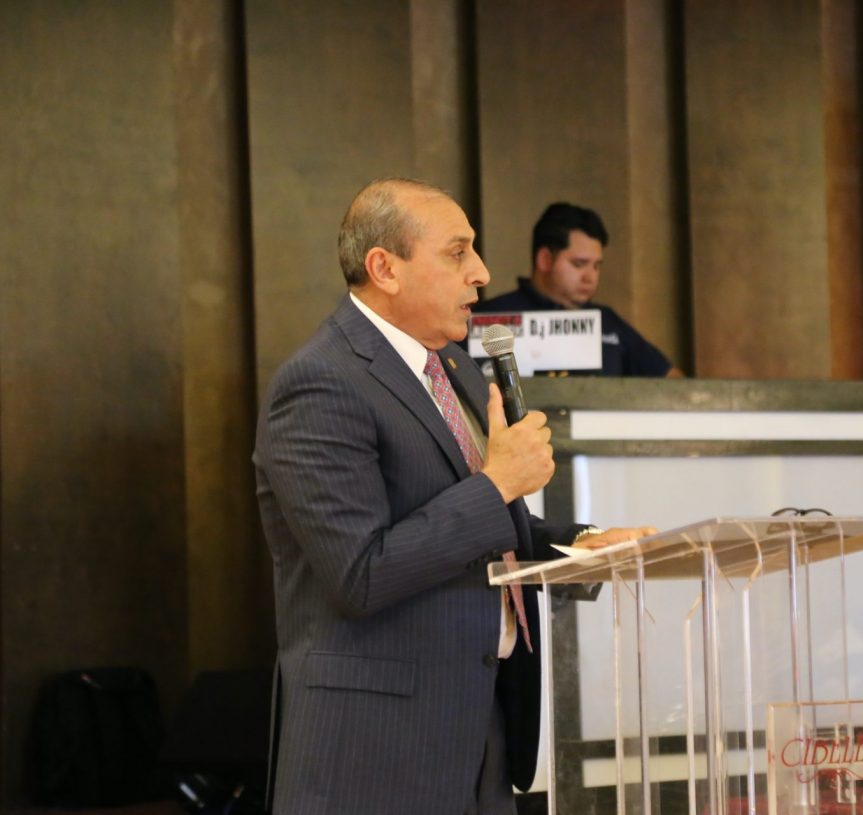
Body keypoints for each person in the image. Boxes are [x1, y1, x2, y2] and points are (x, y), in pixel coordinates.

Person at [253, 178, 653, 815]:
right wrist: (500, 482)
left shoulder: (454, 366)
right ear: (385, 268)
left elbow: (476, 529)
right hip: (375, 749)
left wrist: (581, 545)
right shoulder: (320, 383)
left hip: (480, 730)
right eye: (458, 252)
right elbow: (360, 574)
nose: (482, 273)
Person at [473, 202, 684, 377]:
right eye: (579, 264)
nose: (590, 277)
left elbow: (674, 383)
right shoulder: (488, 320)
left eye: (596, 266)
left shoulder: (607, 322)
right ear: (545, 259)